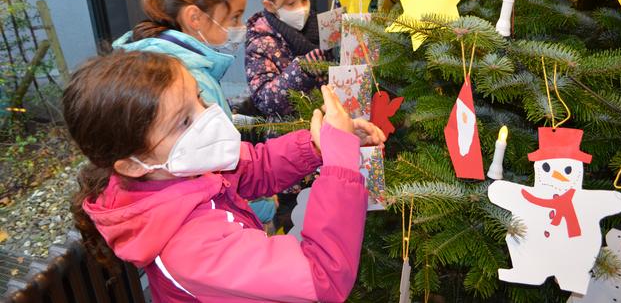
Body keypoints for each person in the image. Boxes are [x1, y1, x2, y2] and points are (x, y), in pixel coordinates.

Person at [66, 50, 385, 302]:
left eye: (199, 99)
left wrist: (316, 145)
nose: (210, 116)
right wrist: (340, 165)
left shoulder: (179, 172)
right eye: (184, 121)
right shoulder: (190, 248)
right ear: (133, 164)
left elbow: (256, 166)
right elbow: (322, 277)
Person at [113, 0, 247, 118]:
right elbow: (213, 141)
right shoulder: (188, 81)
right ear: (194, 18)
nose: (241, 26)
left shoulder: (182, 61)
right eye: (235, 17)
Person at [245, 0, 333, 118]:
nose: (301, 9)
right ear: (270, 6)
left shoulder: (320, 28)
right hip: (287, 134)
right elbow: (265, 100)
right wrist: (302, 70)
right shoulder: (260, 44)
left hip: (327, 122)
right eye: (290, 3)